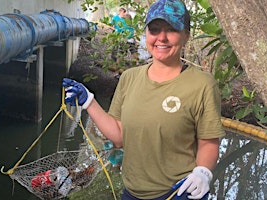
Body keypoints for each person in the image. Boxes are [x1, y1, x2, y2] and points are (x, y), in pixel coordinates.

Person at [62, 0, 226, 199]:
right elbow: (120, 137)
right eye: (154, 30)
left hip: (179, 192)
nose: (162, 38)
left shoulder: (202, 84)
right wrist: (89, 102)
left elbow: (209, 142)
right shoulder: (129, 77)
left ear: (186, 35)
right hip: (132, 192)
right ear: (146, 34)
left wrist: (203, 172)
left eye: (171, 29)